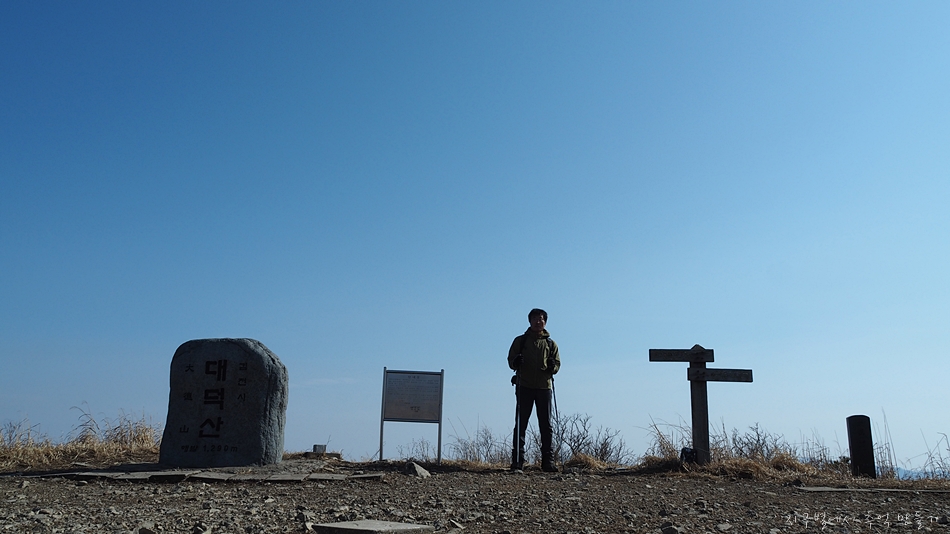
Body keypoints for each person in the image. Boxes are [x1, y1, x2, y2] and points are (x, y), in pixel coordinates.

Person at [508, 308, 560, 472]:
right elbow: (510, 361)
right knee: (521, 423)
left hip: (544, 387)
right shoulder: (521, 341)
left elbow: (557, 365)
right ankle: (518, 461)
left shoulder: (551, 344)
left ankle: (548, 462)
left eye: (542, 319)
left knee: (546, 425)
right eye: (535, 318)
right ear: (529, 321)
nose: (539, 321)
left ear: (545, 322)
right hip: (524, 385)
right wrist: (516, 362)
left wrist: (553, 366)